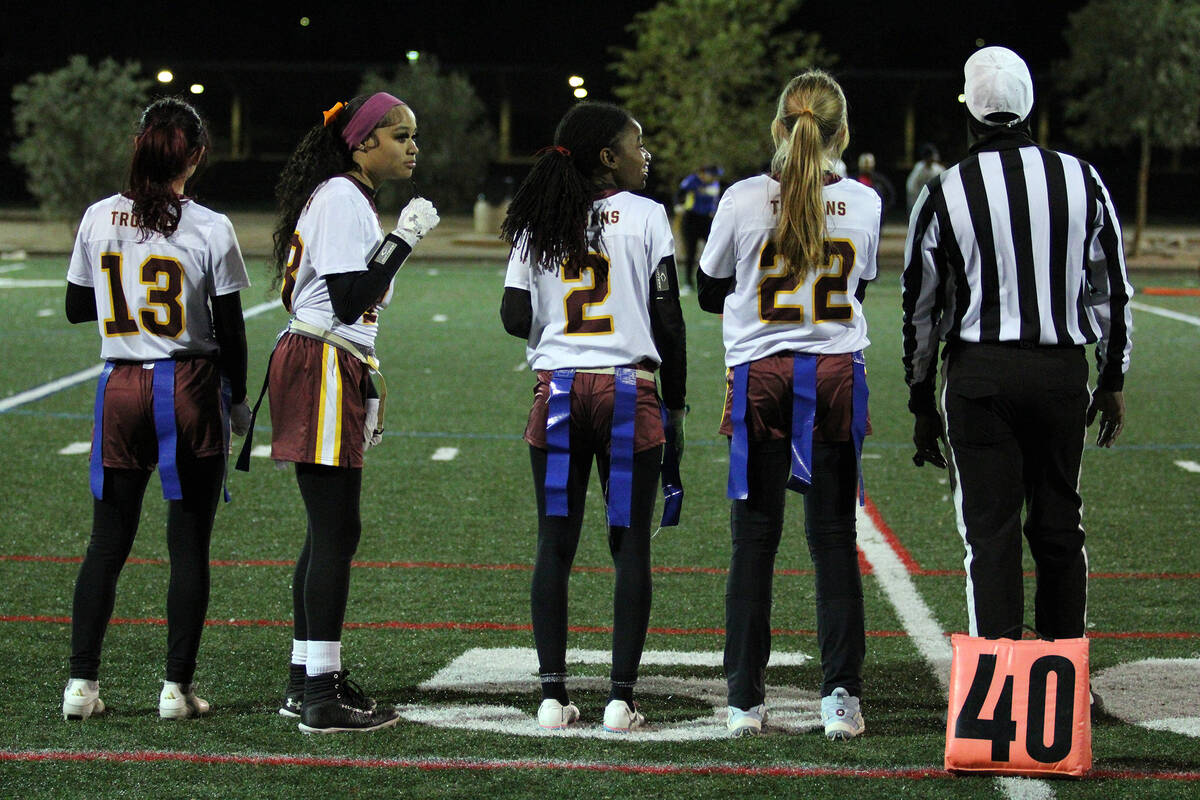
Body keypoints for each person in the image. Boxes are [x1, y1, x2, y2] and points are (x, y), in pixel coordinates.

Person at [901, 46, 1132, 645]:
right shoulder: (1082, 179)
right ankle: (1063, 672)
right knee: (1059, 529)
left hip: (980, 376)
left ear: (970, 114)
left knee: (990, 536)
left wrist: (921, 398)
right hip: (1060, 374)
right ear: (1029, 106)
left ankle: (1000, 678)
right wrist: (1112, 379)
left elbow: (920, 306)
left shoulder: (945, 189)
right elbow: (1111, 289)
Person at [698, 69, 878, 740]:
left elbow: (709, 289)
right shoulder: (864, 202)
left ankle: (744, 702)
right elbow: (861, 284)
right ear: (842, 133)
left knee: (754, 544)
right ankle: (841, 699)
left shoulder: (744, 198)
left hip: (760, 376)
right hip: (834, 374)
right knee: (833, 542)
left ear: (779, 126)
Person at [62, 97, 252, 721]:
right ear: (195, 155)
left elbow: (77, 306)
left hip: (119, 385)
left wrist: (131, 291)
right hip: (186, 386)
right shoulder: (210, 226)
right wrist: (238, 400)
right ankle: (175, 690)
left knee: (106, 542)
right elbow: (231, 329)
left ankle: (81, 686)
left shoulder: (98, 216)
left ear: (139, 145)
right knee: (188, 545)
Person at [499, 102, 687, 734]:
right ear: (608, 157)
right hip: (628, 391)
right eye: (637, 144)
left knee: (555, 545)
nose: (645, 155)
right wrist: (676, 403)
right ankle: (619, 699)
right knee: (629, 546)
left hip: (558, 392)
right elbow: (668, 320)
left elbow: (513, 316)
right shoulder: (647, 215)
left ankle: (552, 697)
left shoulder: (538, 217)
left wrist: (559, 322)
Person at [265, 92, 440, 733]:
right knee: (337, 530)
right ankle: (320, 694)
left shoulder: (347, 196)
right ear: (364, 142)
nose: (412, 147)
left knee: (328, 530)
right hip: (322, 359)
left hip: (329, 359)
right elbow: (346, 299)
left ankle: (307, 680)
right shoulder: (342, 196)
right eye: (401, 135)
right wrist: (405, 238)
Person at [674, 165, 723, 292]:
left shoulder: (714, 184)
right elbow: (680, 194)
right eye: (712, 175)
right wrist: (678, 205)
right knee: (690, 252)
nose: (714, 178)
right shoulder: (692, 181)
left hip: (707, 220)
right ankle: (688, 284)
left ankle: (713, 283)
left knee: (713, 250)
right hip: (691, 218)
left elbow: (715, 200)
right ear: (704, 173)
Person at [853, 152, 895, 224]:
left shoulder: (880, 181)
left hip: (876, 218)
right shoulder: (852, 181)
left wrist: (883, 210)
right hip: (857, 217)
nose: (867, 166)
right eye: (864, 164)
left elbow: (891, 195)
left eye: (869, 164)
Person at [904, 143, 943, 216]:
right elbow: (911, 187)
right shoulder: (919, 168)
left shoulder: (938, 169)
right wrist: (917, 203)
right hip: (919, 200)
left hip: (934, 201)